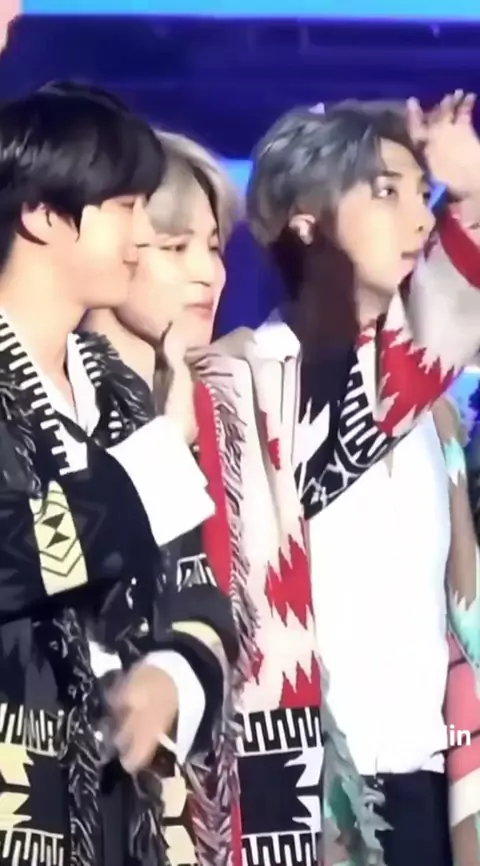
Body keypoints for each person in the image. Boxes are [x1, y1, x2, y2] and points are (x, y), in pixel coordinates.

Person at [184, 93, 480, 866]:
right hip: (303, 793)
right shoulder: (240, 386)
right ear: (306, 222)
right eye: (386, 193)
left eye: (422, 195)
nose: (418, 220)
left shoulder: (435, 414)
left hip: (429, 790)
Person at [0, 83, 238, 866]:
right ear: (42, 214)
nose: (140, 234)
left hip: (115, 819)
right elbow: (10, 555)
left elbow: (202, 599)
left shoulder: (120, 391)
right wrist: (150, 472)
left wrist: (171, 676)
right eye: (125, 206)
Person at [86, 128, 246, 866]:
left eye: (213, 247)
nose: (207, 273)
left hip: (188, 815)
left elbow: (206, 607)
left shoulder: (214, 409)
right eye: (177, 247)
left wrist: (173, 678)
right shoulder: (43, 406)